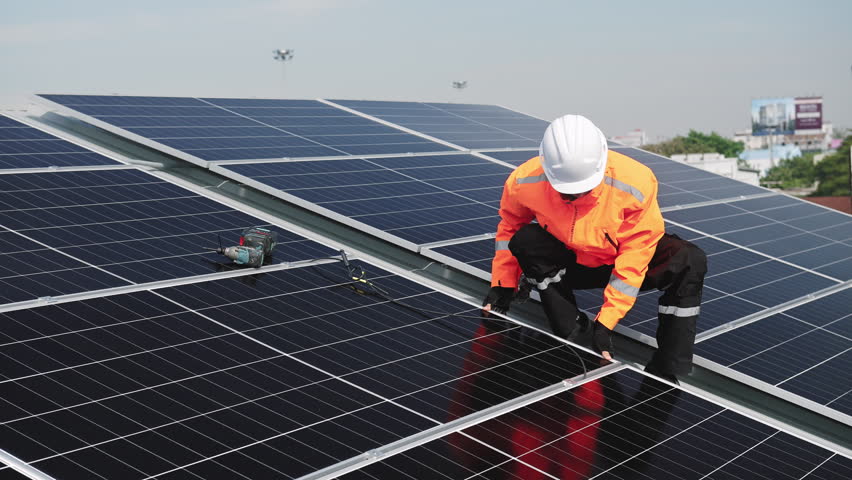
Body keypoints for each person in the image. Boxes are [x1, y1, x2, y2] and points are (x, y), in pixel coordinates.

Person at [482, 114, 707, 380]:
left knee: (689, 259)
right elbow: (510, 227)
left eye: (582, 189)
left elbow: (636, 253)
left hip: (616, 260)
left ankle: (669, 368)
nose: (573, 196)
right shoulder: (523, 181)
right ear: (545, 166)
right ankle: (575, 334)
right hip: (569, 264)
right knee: (526, 240)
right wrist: (503, 283)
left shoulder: (635, 182)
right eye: (565, 191)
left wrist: (607, 321)